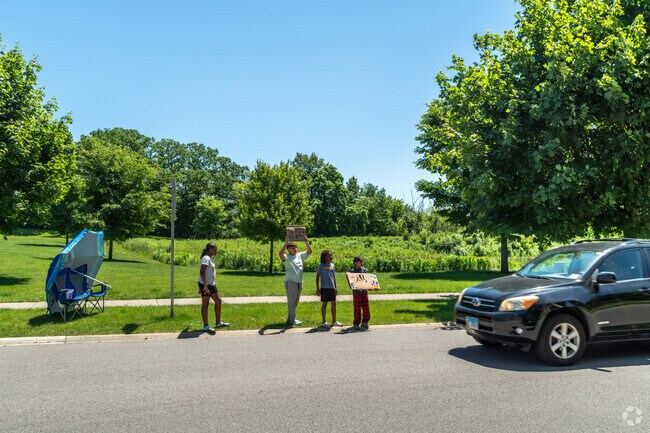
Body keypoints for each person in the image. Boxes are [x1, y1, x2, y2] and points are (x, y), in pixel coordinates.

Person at [279, 236, 312, 326]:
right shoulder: (287, 257)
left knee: (295, 301)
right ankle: (291, 320)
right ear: (288, 249)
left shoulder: (299, 255)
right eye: (293, 248)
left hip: (299, 282)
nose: (295, 249)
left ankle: (291, 318)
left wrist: (306, 242)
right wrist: (285, 243)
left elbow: (309, 251)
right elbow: (280, 254)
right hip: (291, 282)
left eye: (296, 247)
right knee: (291, 301)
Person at [198, 242, 229, 332]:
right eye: (215, 249)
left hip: (211, 284)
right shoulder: (206, 258)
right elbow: (202, 272)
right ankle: (206, 326)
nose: (216, 251)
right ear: (210, 249)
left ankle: (218, 323)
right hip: (206, 285)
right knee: (205, 304)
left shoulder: (210, 258)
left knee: (218, 301)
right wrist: (204, 286)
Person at [316, 250, 342, 329]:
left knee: (333, 304)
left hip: (332, 288)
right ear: (325, 257)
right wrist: (318, 289)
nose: (331, 256)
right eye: (329, 255)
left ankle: (334, 321)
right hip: (324, 288)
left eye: (331, 255)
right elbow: (317, 277)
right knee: (324, 304)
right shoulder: (321, 265)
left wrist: (335, 287)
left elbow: (333, 277)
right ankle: (324, 321)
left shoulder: (332, 265)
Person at [350, 256, 370, 330]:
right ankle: (356, 323)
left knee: (366, 307)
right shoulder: (352, 271)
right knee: (357, 308)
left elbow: (367, 280)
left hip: (364, 292)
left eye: (362, 261)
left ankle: (365, 322)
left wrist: (370, 286)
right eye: (360, 262)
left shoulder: (364, 270)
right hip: (356, 292)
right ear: (356, 263)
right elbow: (351, 281)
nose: (362, 263)